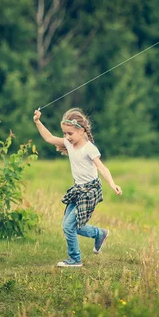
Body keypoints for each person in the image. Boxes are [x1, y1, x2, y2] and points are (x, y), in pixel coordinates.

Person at [33, 107, 122, 267]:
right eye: (65, 133)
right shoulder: (68, 143)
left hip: (89, 191)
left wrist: (113, 184)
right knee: (73, 226)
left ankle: (75, 259)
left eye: (70, 133)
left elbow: (102, 168)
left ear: (81, 131)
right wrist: (38, 121)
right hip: (78, 190)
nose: (67, 137)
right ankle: (100, 234)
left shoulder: (89, 148)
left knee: (69, 226)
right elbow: (49, 138)